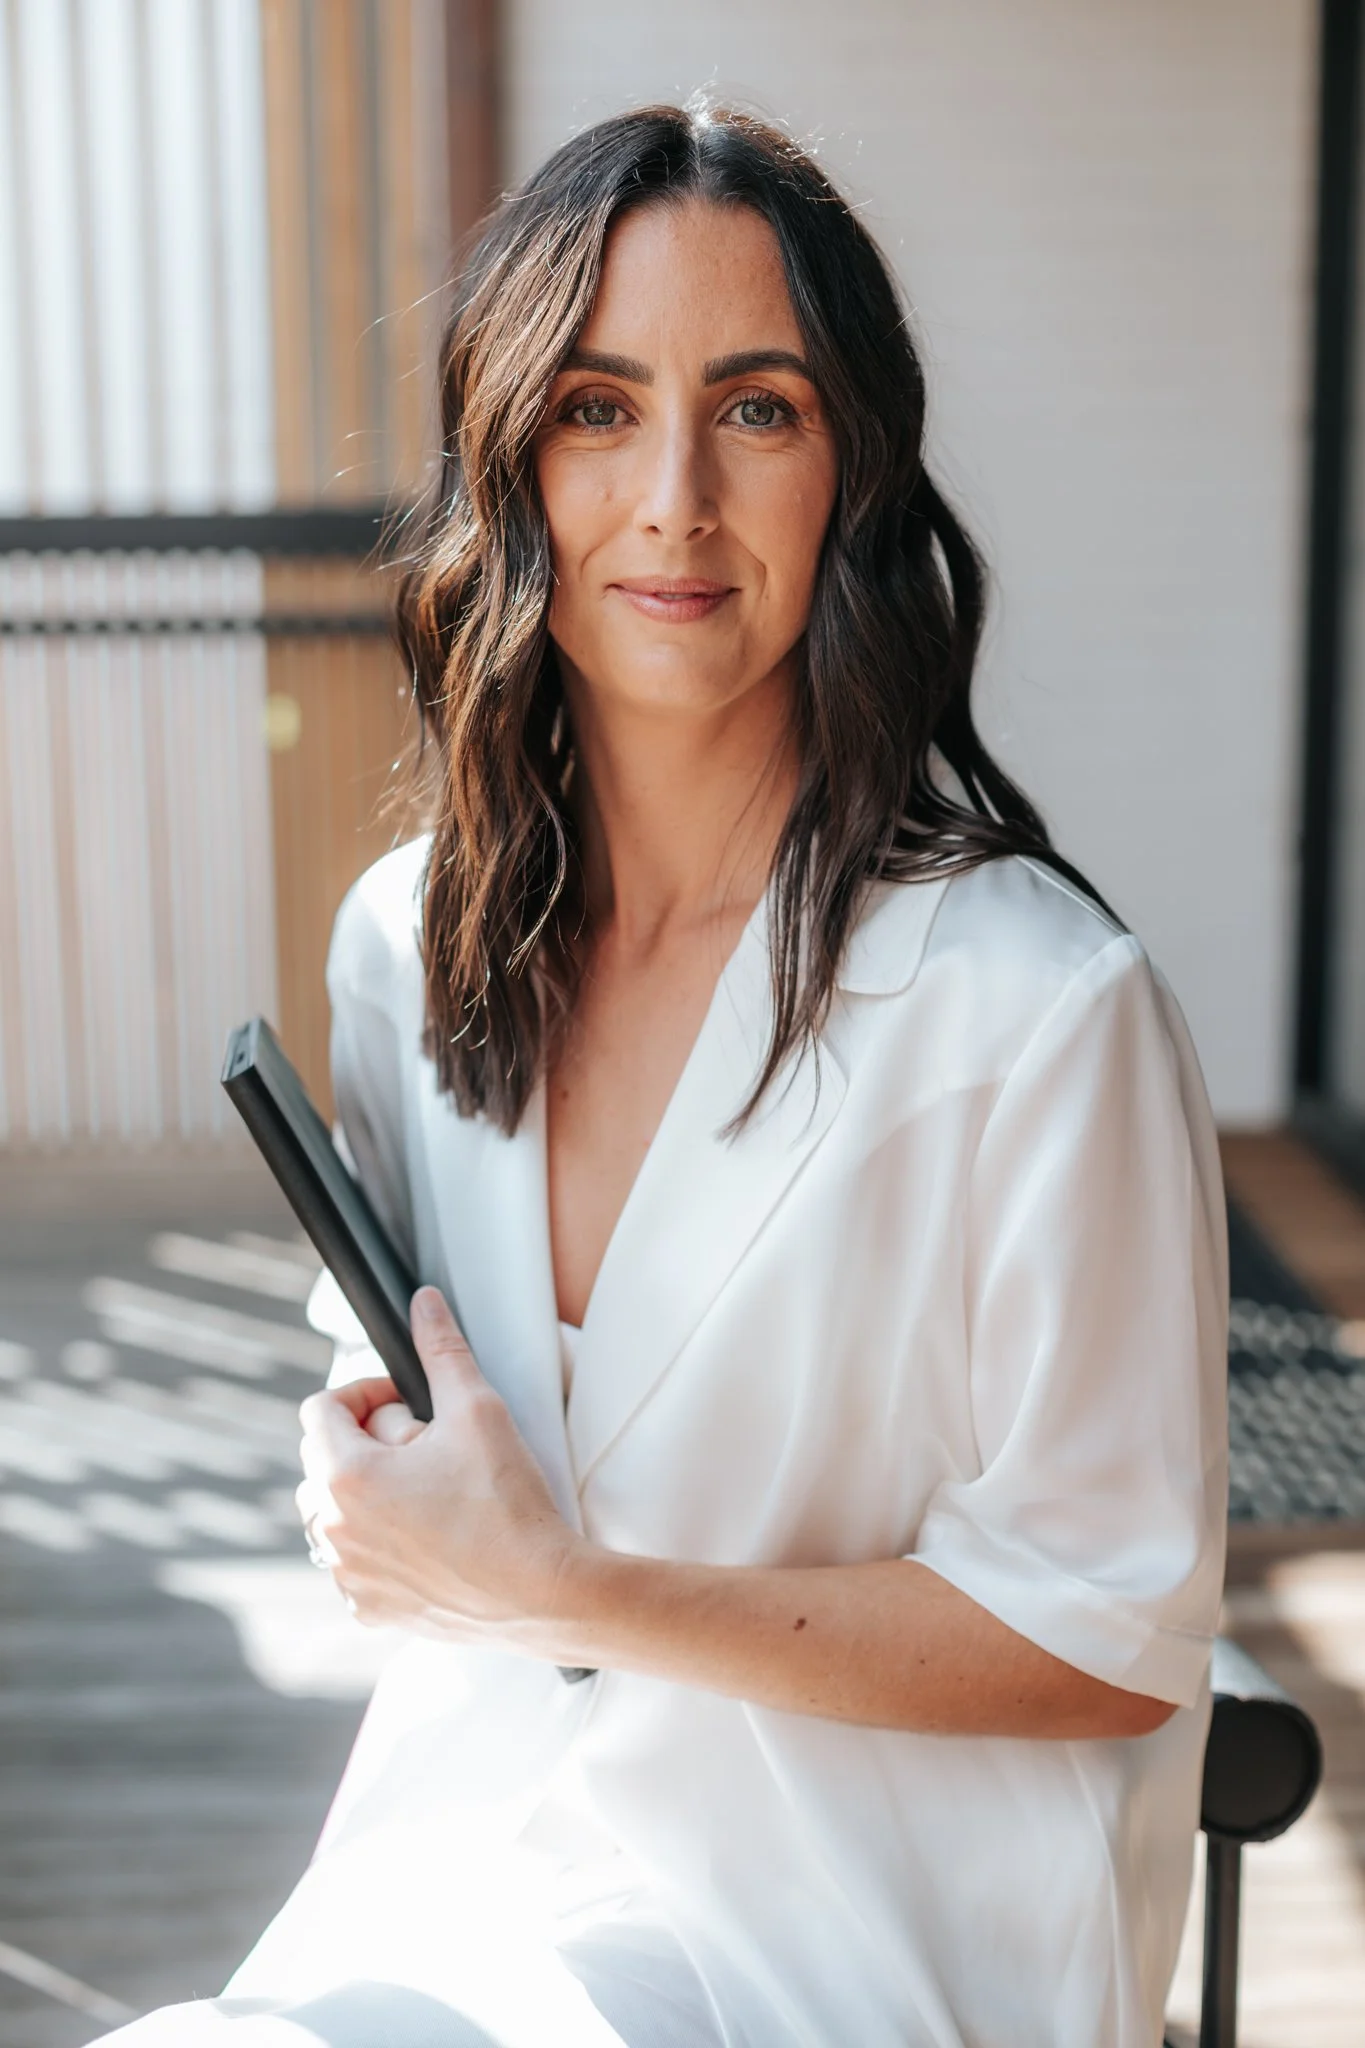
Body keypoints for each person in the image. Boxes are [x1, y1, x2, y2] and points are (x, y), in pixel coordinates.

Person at [101, 102, 1228, 2047]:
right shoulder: (415, 939)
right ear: (517, 460)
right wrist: (377, 1488)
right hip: (469, 1871)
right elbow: (443, 1453)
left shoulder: (1030, 1010)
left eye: (758, 407)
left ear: (850, 467)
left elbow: (1101, 1629)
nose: (674, 497)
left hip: (850, 1936)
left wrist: (570, 1582)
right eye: (600, 407)